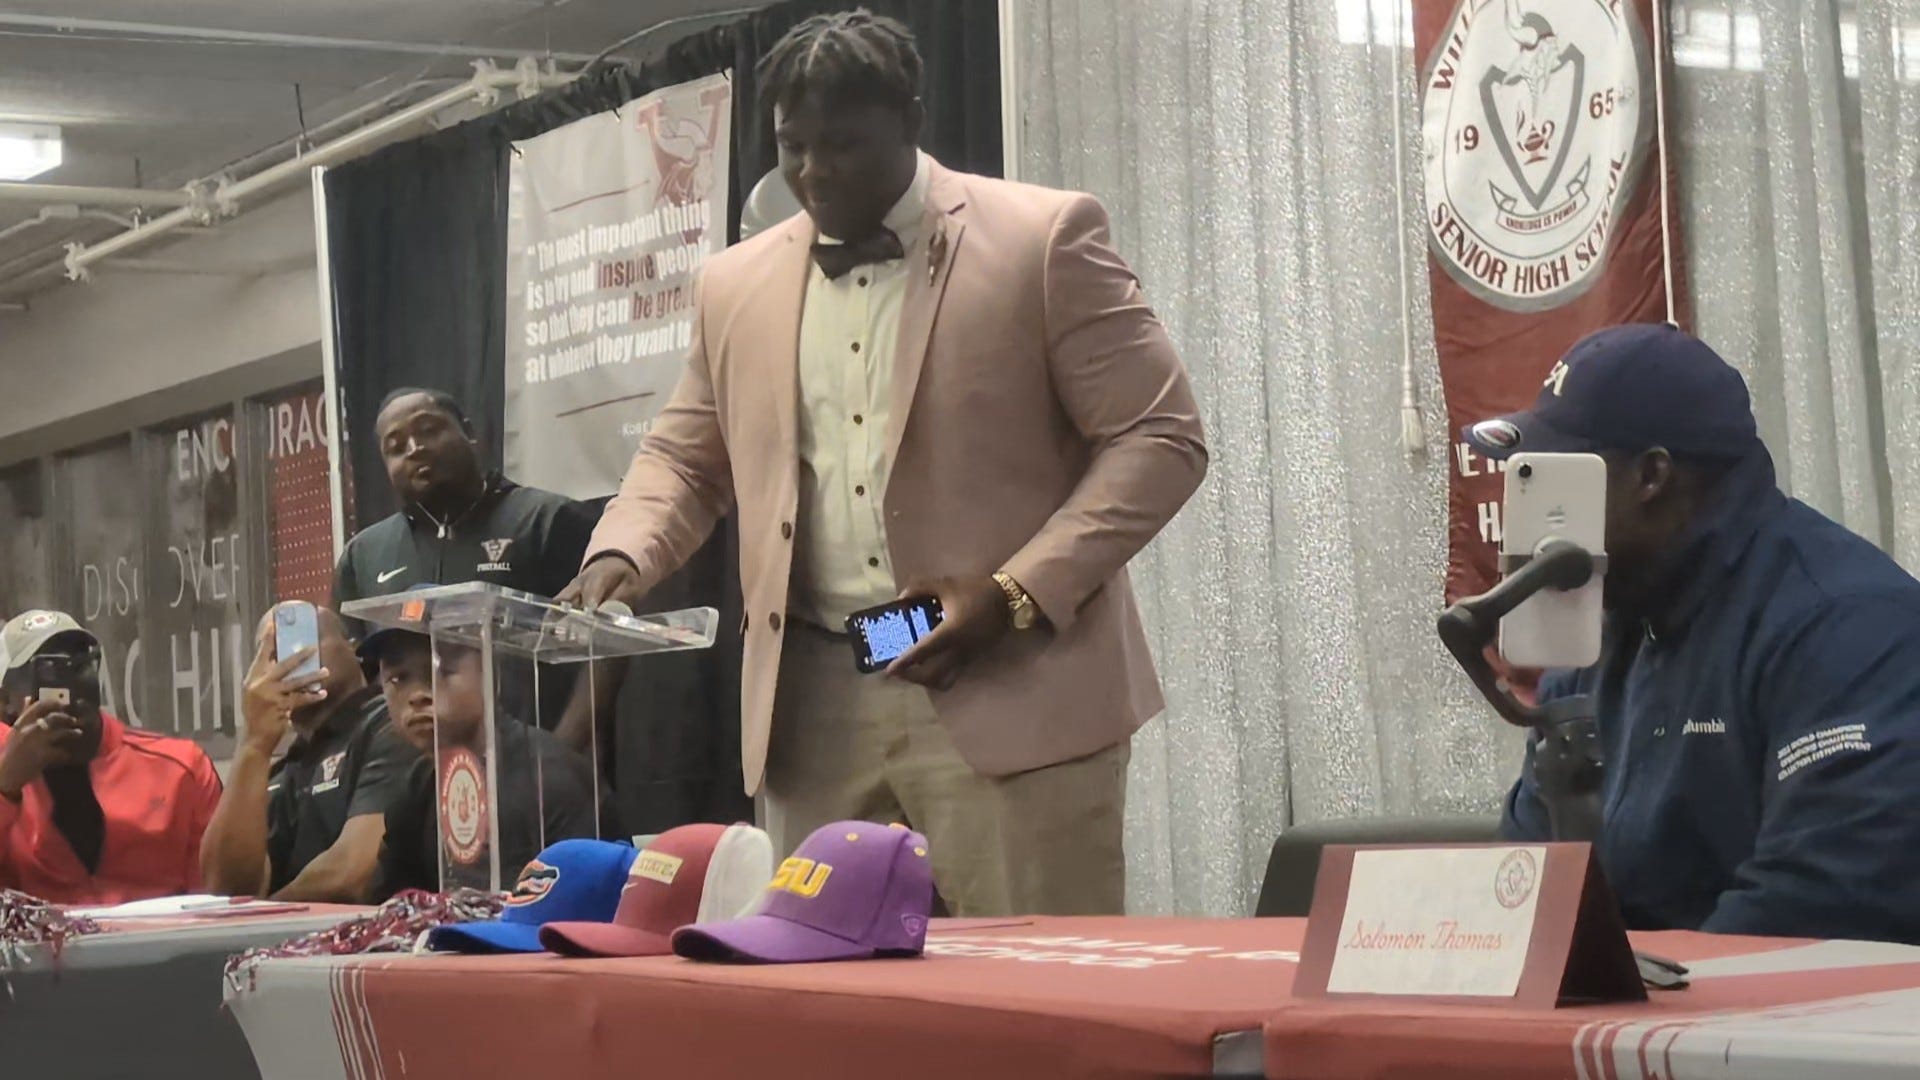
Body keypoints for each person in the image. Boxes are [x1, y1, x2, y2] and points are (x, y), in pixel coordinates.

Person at [561, 11, 1207, 917]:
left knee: (1031, 988)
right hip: (814, 696)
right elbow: (684, 457)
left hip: (1011, 678)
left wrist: (1015, 593)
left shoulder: (1044, 238)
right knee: (819, 985)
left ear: (911, 119)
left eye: (844, 145)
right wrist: (622, 553)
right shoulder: (733, 285)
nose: (815, 172)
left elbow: (1161, 436)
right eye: (794, 146)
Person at [1474, 323, 1920, 945]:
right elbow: (1526, 883)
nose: (1527, 516)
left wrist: (1636, 993)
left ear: (1650, 477)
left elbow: (1820, 902)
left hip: (1784, 1000)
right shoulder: (1595, 639)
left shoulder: (1846, 625)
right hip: (1647, 1001)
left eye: (1552, 481)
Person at [363, 626, 606, 899]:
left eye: (440, 670)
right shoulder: (419, 785)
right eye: (398, 678)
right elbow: (393, 901)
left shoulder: (552, 776)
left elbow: (588, 902)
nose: (417, 695)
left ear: (490, 674)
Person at [200, 605, 419, 902]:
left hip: (378, 928)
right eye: (274, 652)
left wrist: (266, 913)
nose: (294, 657)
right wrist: (253, 743)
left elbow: (354, 873)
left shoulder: (391, 723)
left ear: (352, 649)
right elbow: (226, 889)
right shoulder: (283, 768)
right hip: (296, 930)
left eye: (306, 638)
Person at [0, 611, 222, 905]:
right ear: (5, 701)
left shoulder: (178, 770)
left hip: (161, 932)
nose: (69, 686)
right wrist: (6, 786)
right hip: (38, 934)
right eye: (48, 671)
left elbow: (219, 901)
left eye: (80, 664)